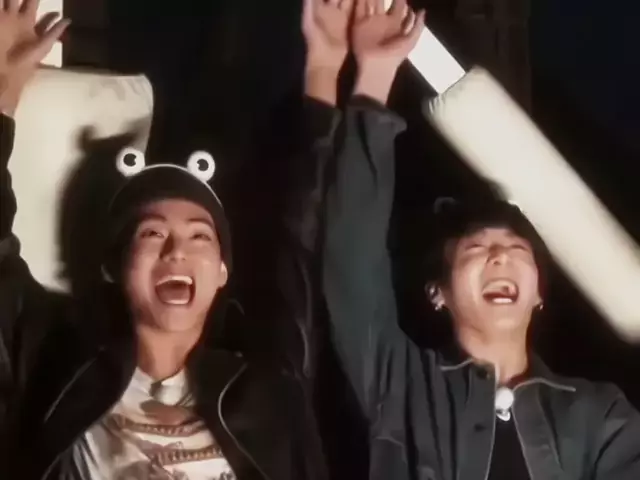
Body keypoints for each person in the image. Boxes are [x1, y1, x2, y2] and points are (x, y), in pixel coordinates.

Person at [0, 1, 339, 478]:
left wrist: (325, 64)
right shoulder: (53, 362)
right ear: (114, 265)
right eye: (152, 232)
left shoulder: (269, 394)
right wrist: (3, 90)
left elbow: (303, 235)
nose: (177, 251)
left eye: (200, 237)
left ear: (222, 271)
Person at [320, 0, 640, 479]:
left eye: (517, 250)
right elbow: (351, 256)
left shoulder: (599, 416)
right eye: (475, 249)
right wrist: (375, 74)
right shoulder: (403, 388)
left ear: (539, 294)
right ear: (437, 292)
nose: (499, 258)